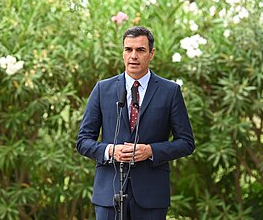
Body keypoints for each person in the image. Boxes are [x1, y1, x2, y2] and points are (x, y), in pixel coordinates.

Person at [76, 26, 195, 220]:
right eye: (128, 49)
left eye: (140, 50)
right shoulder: (102, 89)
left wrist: (150, 151)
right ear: (122, 52)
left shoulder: (170, 91)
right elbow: (83, 141)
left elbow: (186, 143)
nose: (133, 56)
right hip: (109, 195)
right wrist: (110, 151)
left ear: (151, 53)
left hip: (151, 197)